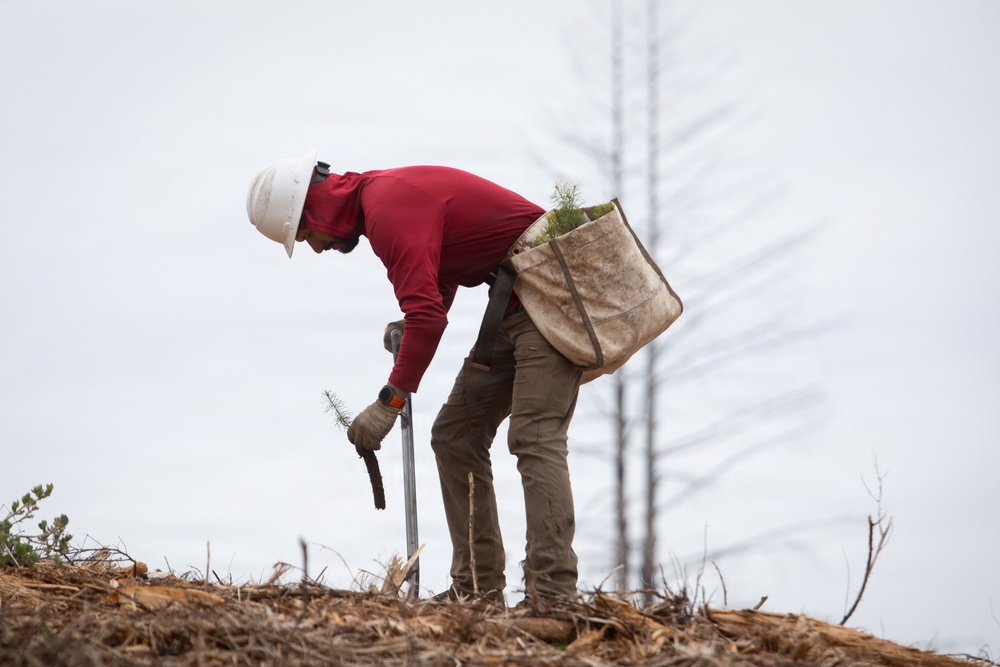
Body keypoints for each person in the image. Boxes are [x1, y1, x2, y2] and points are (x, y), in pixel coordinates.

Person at [246, 149, 582, 605]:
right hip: (517, 300)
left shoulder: (387, 208)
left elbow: (426, 316)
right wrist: (423, 314)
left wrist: (390, 402)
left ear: (315, 208)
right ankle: (478, 592)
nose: (318, 247)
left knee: (534, 435)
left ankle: (553, 597)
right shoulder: (382, 201)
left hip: (556, 292)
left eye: (306, 235)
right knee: (455, 437)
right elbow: (436, 277)